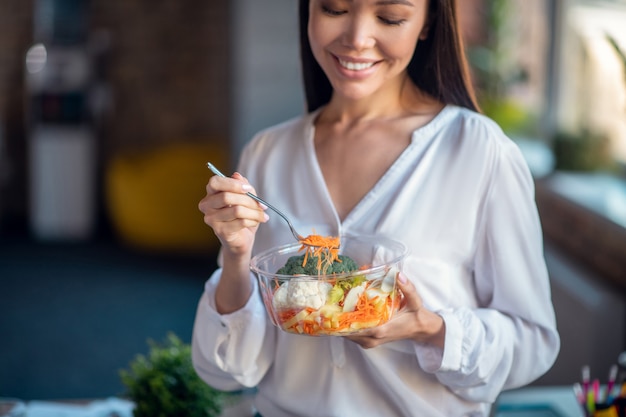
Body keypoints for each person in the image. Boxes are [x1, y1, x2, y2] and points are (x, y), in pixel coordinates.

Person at [192, 0, 560, 415]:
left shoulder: (479, 151)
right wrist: (238, 257)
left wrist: (430, 330)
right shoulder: (267, 153)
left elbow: (533, 342)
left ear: (427, 23)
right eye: (333, 9)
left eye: (389, 18)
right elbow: (225, 371)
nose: (356, 40)